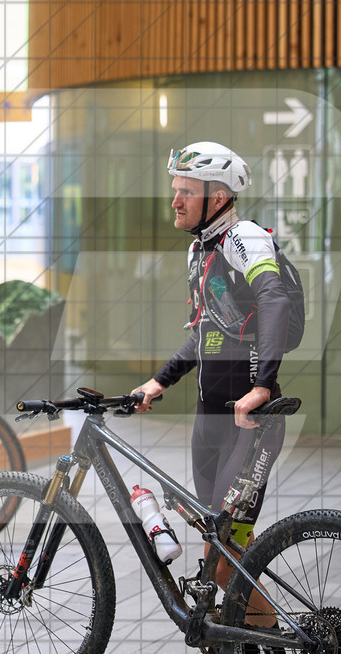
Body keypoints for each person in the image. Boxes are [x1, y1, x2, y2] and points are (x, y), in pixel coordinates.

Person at [133, 141, 289, 639]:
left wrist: (262, 385)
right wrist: (161, 379)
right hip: (210, 424)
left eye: (186, 191)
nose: (175, 201)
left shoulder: (244, 238)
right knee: (224, 551)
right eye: (174, 189)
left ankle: (283, 639)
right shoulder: (200, 249)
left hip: (250, 424)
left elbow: (274, 300)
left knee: (222, 562)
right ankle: (257, 639)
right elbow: (205, 331)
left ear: (218, 197)